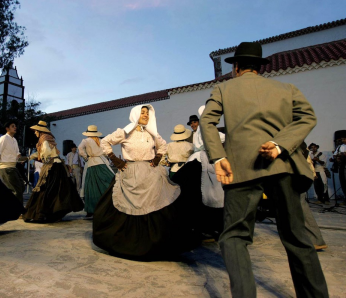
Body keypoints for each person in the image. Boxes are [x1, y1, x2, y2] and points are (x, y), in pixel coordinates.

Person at [200, 42, 328, 297]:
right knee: (296, 236)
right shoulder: (286, 88)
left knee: (235, 236)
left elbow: (207, 121)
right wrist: (281, 145)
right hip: (282, 166)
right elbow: (307, 117)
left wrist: (218, 156)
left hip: (241, 167)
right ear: (259, 67)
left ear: (236, 67)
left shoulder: (223, 88)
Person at [93, 104, 197, 260]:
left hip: (150, 174)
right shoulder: (124, 132)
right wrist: (115, 160)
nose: (145, 115)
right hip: (130, 173)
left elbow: (163, 145)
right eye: (142, 113)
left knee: (155, 206)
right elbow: (105, 142)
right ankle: (128, 243)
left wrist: (157, 157)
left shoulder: (152, 133)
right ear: (135, 114)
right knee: (128, 207)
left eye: (147, 113)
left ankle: (154, 245)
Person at [173, 107, 226, 242]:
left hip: (203, 160)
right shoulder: (202, 130)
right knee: (205, 193)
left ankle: (208, 227)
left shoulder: (204, 129)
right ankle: (205, 227)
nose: (193, 125)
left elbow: (219, 138)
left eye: (194, 122)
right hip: (202, 160)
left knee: (206, 192)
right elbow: (220, 138)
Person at [23, 120, 84, 223]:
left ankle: (45, 213)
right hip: (57, 165)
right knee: (56, 190)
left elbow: (45, 152)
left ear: (39, 131)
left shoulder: (44, 140)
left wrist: (43, 158)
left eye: (36, 131)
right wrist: (29, 157)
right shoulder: (47, 139)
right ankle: (54, 212)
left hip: (52, 166)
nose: (35, 133)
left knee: (47, 189)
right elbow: (41, 152)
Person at [78, 125, 115, 218]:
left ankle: (92, 209)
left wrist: (86, 157)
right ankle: (108, 206)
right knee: (107, 182)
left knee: (91, 186)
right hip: (102, 162)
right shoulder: (101, 141)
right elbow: (107, 150)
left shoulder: (85, 141)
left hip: (92, 162)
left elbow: (80, 149)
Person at [0, 120, 25, 205]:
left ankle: (9, 206)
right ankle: (18, 210)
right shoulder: (3, 138)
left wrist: (25, 158)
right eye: (12, 126)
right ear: (7, 128)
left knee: (21, 187)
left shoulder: (14, 140)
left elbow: (17, 154)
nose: (15, 127)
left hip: (13, 167)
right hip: (6, 167)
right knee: (16, 189)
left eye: (15, 126)